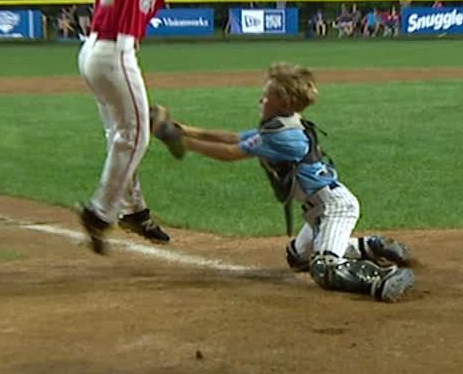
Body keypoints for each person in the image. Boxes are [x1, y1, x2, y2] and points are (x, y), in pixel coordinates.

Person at [150, 62, 416, 303]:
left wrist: (182, 142)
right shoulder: (282, 124)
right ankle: (370, 246)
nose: (261, 99)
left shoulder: (284, 137)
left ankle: (384, 279)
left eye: (267, 96)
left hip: (335, 207)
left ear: (285, 102)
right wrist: (180, 128)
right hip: (317, 212)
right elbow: (232, 137)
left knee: (324, 268)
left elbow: (232, 153)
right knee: (297, 257)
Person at [77, 0, 195, 255]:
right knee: (138, 135)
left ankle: (134, 209)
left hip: (106, 53)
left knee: (122, 134)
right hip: (111, 50)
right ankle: (100, 212)